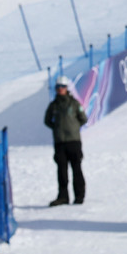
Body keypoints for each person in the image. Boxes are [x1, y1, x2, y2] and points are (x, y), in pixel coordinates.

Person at [43, 76, 89, 206]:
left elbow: (83, 119)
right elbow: (47, 121)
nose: (60, 90)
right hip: (60, 143)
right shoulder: (53, 106)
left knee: (76, 169)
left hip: (73, 141)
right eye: (58, 88)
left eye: (62, 87)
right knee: (62, 171)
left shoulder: (74, 104)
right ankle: (63, 197)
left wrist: (73, 128)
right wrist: (57, 129)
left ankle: (79, 196)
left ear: (66, 88)